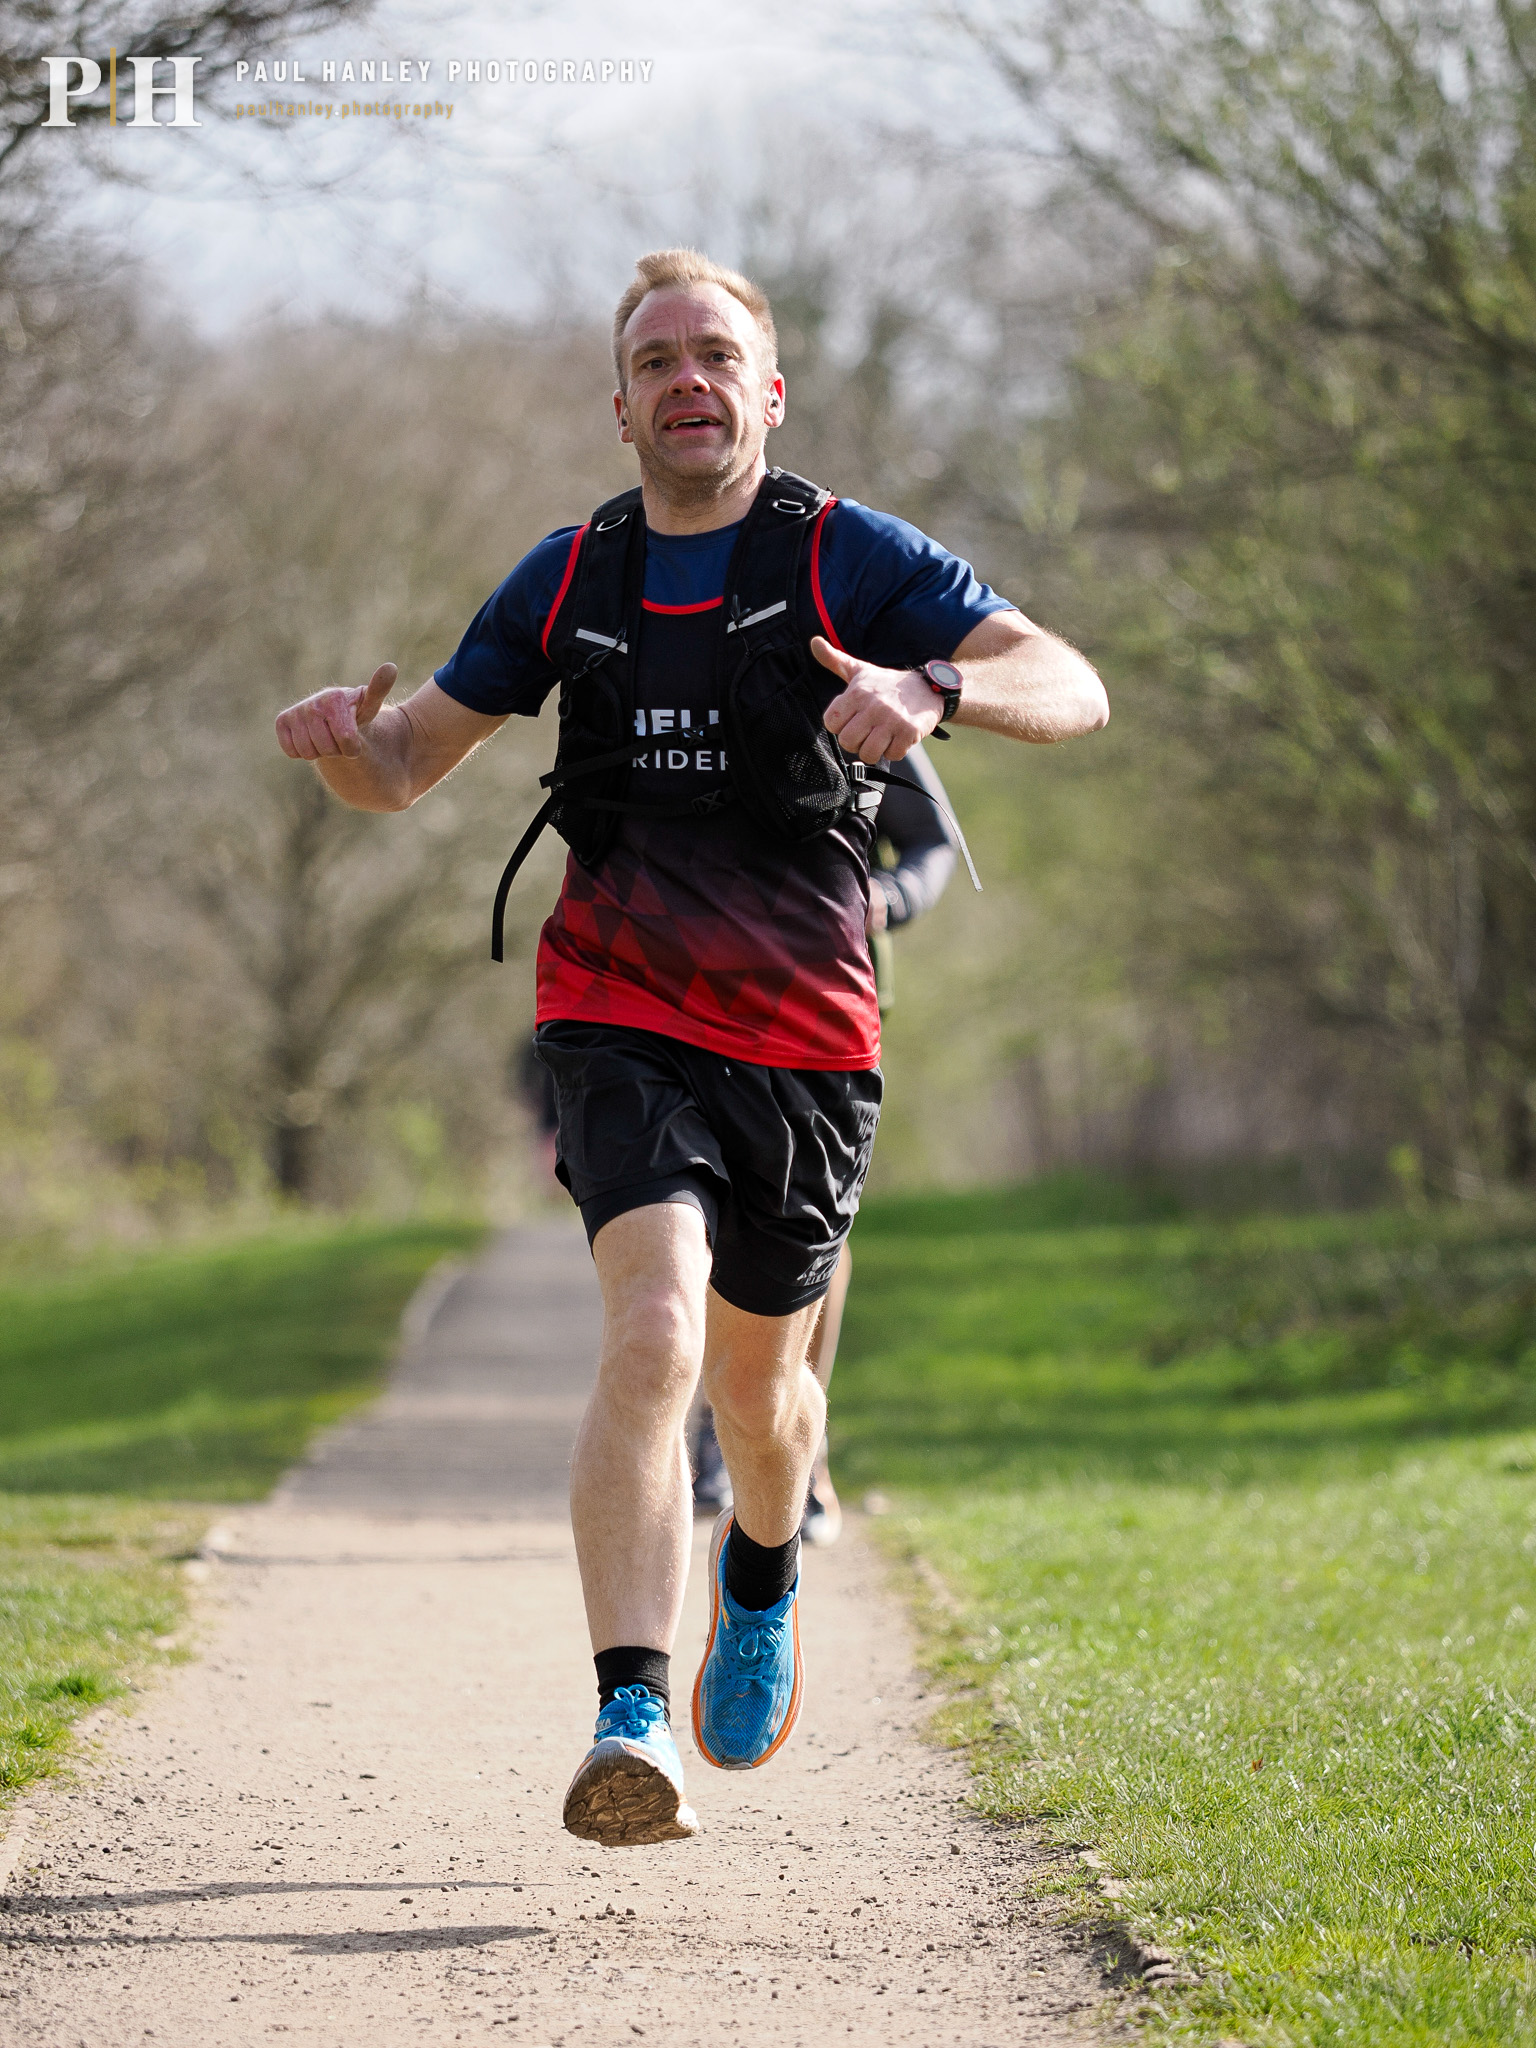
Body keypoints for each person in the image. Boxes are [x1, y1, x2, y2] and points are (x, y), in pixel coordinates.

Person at [274, 247, 1109, 1850]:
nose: (687, 379)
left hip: (804, 1030)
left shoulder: (849, 557)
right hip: (618, 1007)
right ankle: (629, 1712)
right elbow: (401, 766)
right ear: (623, 404)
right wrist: (339, 751)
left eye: (715, 354)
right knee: (652, 1330)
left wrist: (938, 687)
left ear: (767, 390)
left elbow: (1069, 683)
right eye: (657, 360)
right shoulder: (569, 577)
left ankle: (766, 1571)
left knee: (764, 1400)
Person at [690, 746, 960, 1546]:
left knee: (813, 1235)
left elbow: (932, 838)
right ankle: (717, 1426)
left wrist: (893, 893)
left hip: (822, 1003)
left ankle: (800, 1440)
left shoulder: (858, 683)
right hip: (677, 998)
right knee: (698, 1222)